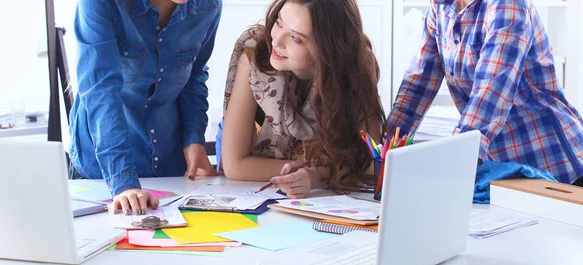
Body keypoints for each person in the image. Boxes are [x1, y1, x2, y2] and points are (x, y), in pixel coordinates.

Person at [387, 0, 583, 186]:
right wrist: (386, 148)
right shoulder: (440, 9)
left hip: (555, 167)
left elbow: (491, 93)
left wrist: (454, 159)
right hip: (505, 171)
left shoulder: (507, 4)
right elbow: (418, 84)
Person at [217, 0, 386, 198]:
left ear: (327, 48)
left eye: (295, 38)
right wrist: (316, 172)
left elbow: (369, 160)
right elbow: (235, 166)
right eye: (279, 22)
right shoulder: (257, 53)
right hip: (252, 177)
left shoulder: (357, 63)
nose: (277, 41)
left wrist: (314, 176)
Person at [69, 0, 221, 215]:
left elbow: (194, 74)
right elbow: (101, 92)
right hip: (103, 170)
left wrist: (194, 138)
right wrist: (123, 182)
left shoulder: (210, 5)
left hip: (172, 168)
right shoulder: (100, 3)